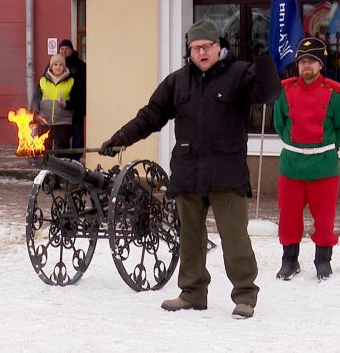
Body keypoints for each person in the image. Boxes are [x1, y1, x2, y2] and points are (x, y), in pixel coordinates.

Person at [99, 19, 281, 319]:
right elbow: (151, 116)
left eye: (207, 46)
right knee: (190, 239)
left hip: (227, 174)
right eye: (195, 48)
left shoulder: (239, 74)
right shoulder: (178, 81)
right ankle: (193, 293)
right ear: (189, 51)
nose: (201, 52)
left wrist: (264, 60)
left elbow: (268, 93)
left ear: (218, 46)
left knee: (235, 239)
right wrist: (120, 138)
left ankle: (245, 295)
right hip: (188, 172)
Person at [273, 37, 340, 281]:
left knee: (325, 219)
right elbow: (279, 124)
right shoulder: (285, 92)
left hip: (323, 168)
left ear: (320, 65)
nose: (306, 66)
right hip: (292, 167)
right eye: (302, 61)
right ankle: (289, 260)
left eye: (311, 61)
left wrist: (328, 148)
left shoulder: (335, 94)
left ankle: (323, 261)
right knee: (288, 218)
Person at [32, 54, 74, 155]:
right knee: (45, 150)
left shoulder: (71, 81)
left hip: (63, 122)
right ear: (51, 67)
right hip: (45, 122)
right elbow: (36, 99)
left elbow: (76, 101)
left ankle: (61, 170)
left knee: (62, 152)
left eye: (60, 65)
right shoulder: (43, 81)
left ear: (64, 67)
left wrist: (65, 104)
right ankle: (46, 170)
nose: (58, 67)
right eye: (55, 64)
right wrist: (35, 115)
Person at [58, 39, 86, 162]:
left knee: (77, 136)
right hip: (61, 109)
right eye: (61, 49)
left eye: (66, 49)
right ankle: (62, 162)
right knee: (62, 137)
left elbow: (83, 88)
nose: (64, 51)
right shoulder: (55, 64)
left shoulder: (80, 65)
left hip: (76, 107)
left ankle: (75, 161)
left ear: (71, 50)